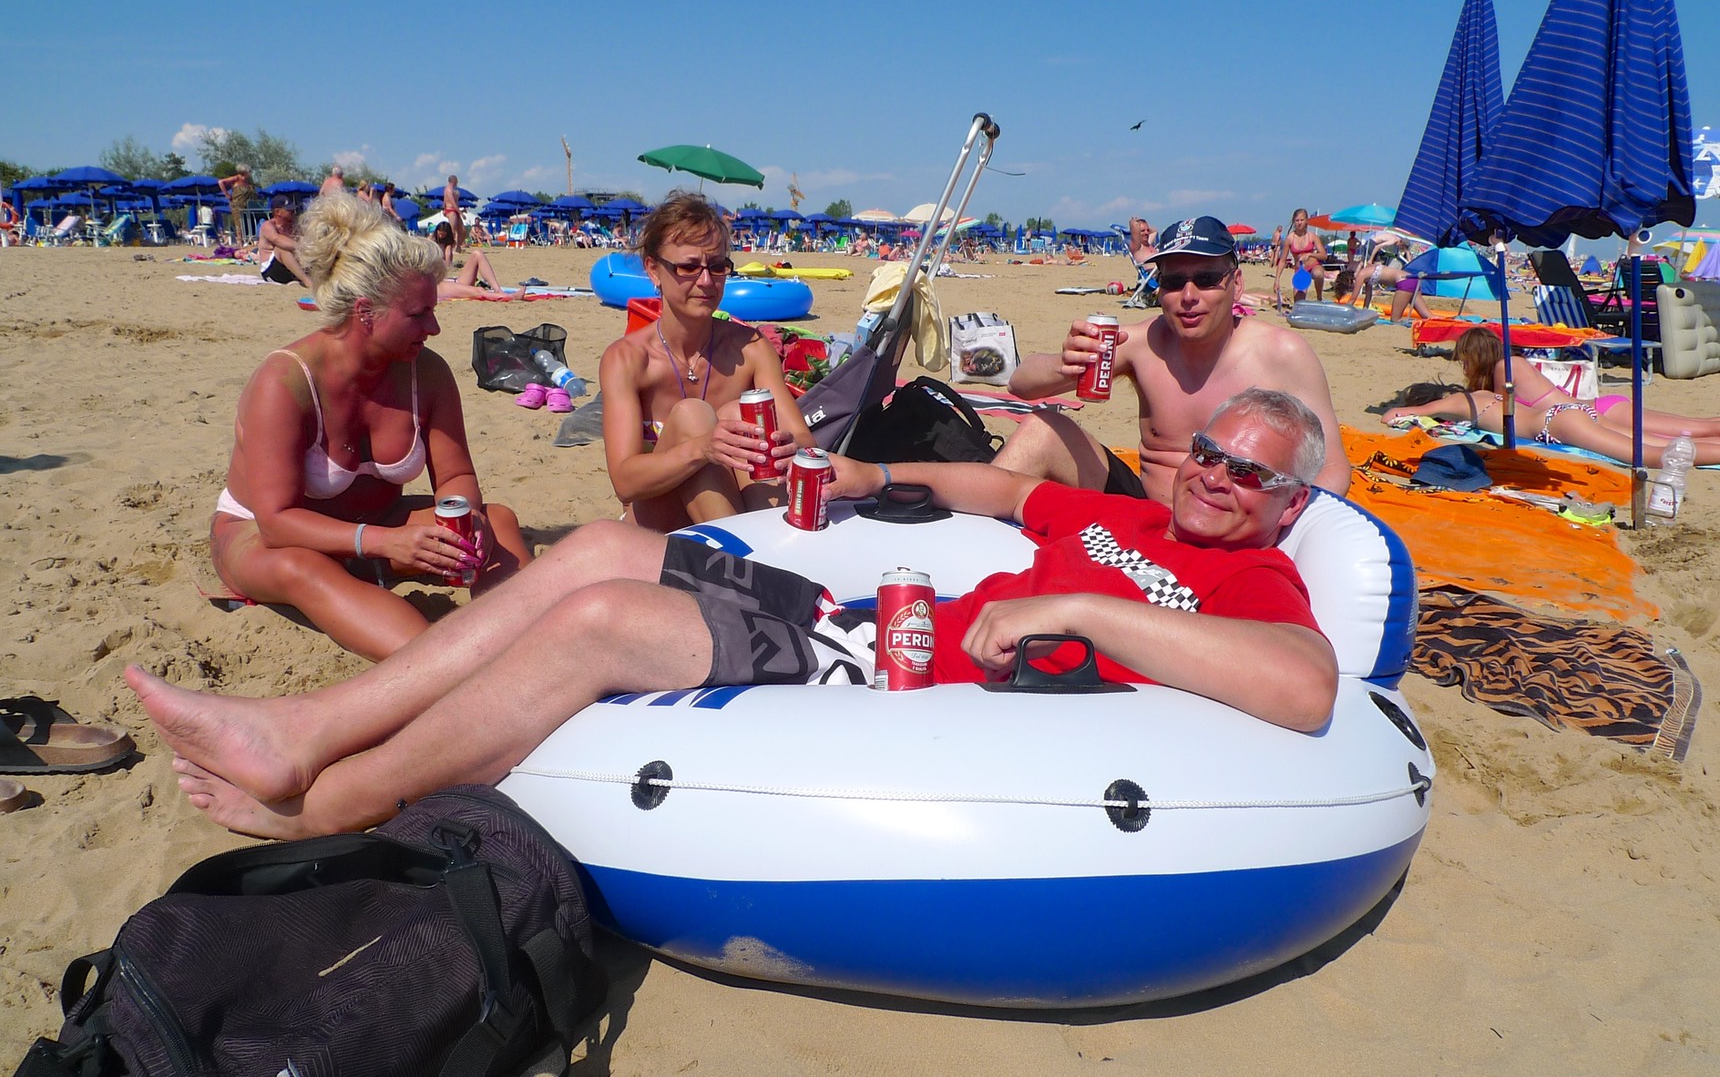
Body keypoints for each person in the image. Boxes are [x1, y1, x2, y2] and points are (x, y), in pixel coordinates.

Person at [129, 388, 1339, 838]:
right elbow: (1008, 490)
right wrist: (870, 473)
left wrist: (1082, 609)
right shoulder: (1127, 516)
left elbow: (1302, 683)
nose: (1213, 479)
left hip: (902, 670)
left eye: (1248, 473)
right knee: (603, 546)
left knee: (603, 620)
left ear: (1289, 503)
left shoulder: (1252, 577)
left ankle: (330, 801)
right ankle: (303, 727)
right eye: (1206, 454)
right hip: (866, 617)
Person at [206, 191, 530, 661]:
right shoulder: (285, 381)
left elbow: (456, 477)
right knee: (303, 568)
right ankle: (441, 666)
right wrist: (384, 541)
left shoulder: (427, 373)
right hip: (266, 536)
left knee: (497, 522)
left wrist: (466, 518)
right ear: (364, 312)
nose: (434, 328)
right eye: (418, 314)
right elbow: (277, 522)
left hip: (373, 526)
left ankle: (521, 643)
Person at [996, 216, 1352, 501]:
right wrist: (1066, 364)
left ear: (1237, 285)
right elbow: (1020, 384)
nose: (1188, 295)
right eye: (1173, 281)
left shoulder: (1281, 354)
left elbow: (1333, 468)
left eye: (1206, 279)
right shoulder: (1144, 342)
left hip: (1238, 524)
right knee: (1041, 430)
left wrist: (1278, 526)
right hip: (1146, 512)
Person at [599, 191, 813, 531]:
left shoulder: (751, 349)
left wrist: (786, 446)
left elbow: (805, 441)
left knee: (738, 414)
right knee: (692, 416)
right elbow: (625, 483)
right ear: (653, 270)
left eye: (716, 267)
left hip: (741, 509)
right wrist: (703, 448)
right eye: (688, 267)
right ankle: (751, 553)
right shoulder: (628, 359)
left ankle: (758, 546)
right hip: (656, 524)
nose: (705, 281)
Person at [1382, 326, 1720, 466]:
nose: (1463, 367)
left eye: (1464, 360)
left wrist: (1418, 410)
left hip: (1558, 422)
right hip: (1579, 413)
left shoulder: (1471, 394)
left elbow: (1394, 417)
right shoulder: (1491, 385)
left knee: (1655, 453)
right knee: (1669, 441)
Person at [428, 223, 520, 300]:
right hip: (439, 284)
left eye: (443, 234)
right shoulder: (429, 244)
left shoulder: (446, 246)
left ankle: (497, 290)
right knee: (478, 291)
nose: (441, 236)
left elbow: (448, 264)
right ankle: (510, 297)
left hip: (453, 281)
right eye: (440, 234)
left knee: (477, 253)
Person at [1331, 259, 1431, 322]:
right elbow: (1368, 296)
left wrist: (1343, 313)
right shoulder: (1366, 273)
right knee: (1427, 315)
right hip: (1412, 279)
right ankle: (1440, 323)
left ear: (1350, 280)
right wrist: (1364, 311)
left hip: (1404, 282)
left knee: (1395, 319)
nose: (1352, 288)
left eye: (1350, 287)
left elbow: (1353, 299)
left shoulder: (1360, 276)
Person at [1273, 208, 1325, 304]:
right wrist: (1277, 280)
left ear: (1306, 221)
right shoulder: (1290, 238)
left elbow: (1324, 255)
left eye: (1302, 220)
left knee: (1318, 274)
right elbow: (1282, 261)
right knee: (1299, 304)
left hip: (1313, 266)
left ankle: (1319, 297)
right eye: (1297, 220)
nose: (1299, 223)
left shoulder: (1312, 236)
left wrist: (1310, 254)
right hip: (1300, 270)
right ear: (1294, 222)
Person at [255, 199, 311, 286]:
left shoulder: (292, 225)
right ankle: (307, 281)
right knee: (281, 249)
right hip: (271, 272)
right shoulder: (268, 226)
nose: (293, 212)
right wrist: (304, 247)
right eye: (289, 210)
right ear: (277, 212)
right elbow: (278, 240)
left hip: (290, 269)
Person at [218, 165, 256, 245]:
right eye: (248, 172)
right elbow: (221, 182)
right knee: (239, 223)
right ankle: (240, 242)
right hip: (237, 204)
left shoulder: (248, 181)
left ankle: (248, 241)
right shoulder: (236, 178)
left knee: (248, 222)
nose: (250, 173)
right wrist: (227, 194)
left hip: (247, 205)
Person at [443, 175, 467, 252]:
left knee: (463, 230)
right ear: (453, 180)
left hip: (454, 210)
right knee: (452, 230)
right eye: (456, 180)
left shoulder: (454, 190)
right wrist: (460, 213)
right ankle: (449, 247)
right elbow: (452, 202)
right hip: (451, 210)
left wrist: (461, 211)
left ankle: (458, 246)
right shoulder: (448, 189)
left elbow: (446, 201)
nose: (457, 182)